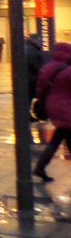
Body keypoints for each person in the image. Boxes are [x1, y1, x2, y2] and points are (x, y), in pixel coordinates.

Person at [33, 41, 71, 182]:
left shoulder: (47, 67)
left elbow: (40, 88)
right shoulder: (67, 70)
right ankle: (39, 167)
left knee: (59, 138)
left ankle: (40, 168)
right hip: (66, 108)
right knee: (62, 136)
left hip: (52, 106)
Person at [26, 33, 48, 109]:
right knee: (29, 97)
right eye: (39, 40)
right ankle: (27, 115)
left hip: (28, 78)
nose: (40, 42)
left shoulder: (28, 48)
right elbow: (36, 65)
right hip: (31, 79)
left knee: (28, 97)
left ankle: (27, 114)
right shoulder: (32, 50)